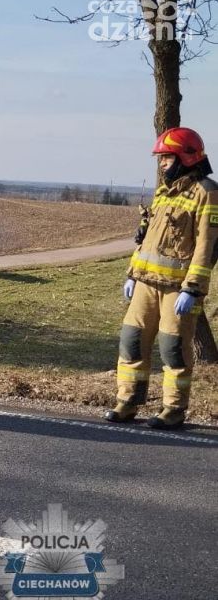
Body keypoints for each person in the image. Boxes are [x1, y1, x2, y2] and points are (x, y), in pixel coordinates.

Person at [104, 127, 218, 429]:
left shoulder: (208, 192)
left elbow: (206, 246)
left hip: (178, 290)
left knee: (173, 347)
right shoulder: (164, 191)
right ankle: (127, 402)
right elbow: (150, 241)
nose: (162, 164)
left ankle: (174, 409)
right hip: (145, 283)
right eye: (161, 158)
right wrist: (132, 273)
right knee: (131, 341)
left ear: (185, 156)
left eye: (166, 158)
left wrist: (192, 290)